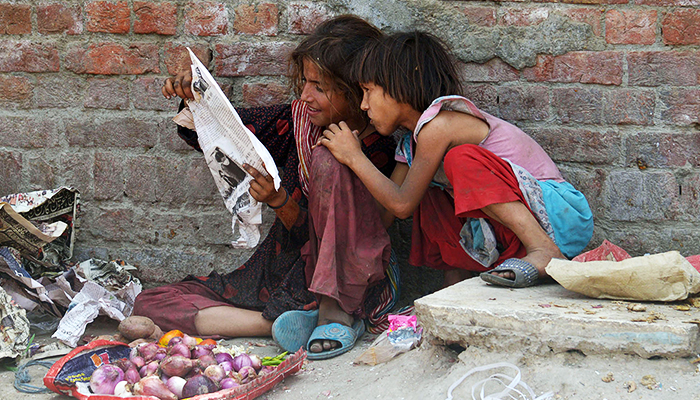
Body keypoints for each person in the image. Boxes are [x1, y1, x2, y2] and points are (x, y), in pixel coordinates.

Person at [133, 15, 399, 360]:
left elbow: (348, 238)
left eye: (319, 86)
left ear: (353, 89)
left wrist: (281, 201)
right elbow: (233, 133)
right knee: (150, 303)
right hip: (279, 275)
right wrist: (195, 99)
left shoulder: (378, 150)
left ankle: (331, 314)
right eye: (304, 82)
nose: (305, 95)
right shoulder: (297, 122)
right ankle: (275, 322)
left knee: (329, 160)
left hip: (345, 280)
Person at [318, 31, 594, 288]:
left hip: (556, 217)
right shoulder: (411, 146)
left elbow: (401, 204)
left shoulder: (441, 126)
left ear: (402, 84)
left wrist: (355, 157)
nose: (364, 105)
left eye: (368, 90)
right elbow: (387, 213)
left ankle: (544, 250)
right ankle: (456, 284)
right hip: (510, 235)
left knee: (459, 160)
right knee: (430, 193)